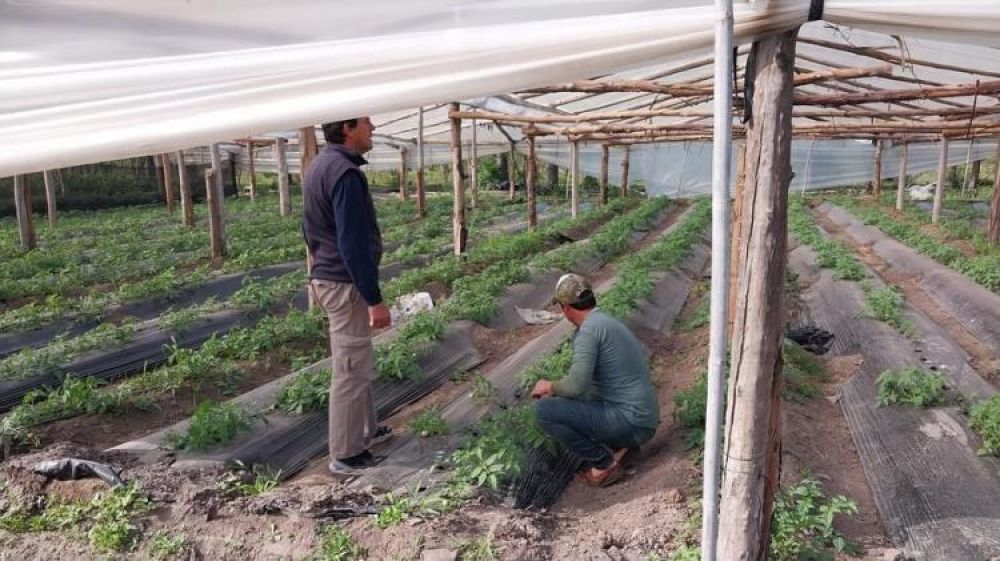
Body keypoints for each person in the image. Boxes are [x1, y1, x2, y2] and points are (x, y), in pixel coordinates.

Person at [303, 116, 393, 475]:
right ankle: (346, 454)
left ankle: (366, 431)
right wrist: (374, 298)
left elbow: (308, 227)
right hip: (344, 283)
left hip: (331, 278)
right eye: (366, 122)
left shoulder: (320, 166)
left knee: (357, 360)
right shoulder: (345, 174)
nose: (372, 127)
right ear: (347, 128)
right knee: (350, 368)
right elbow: (352, 244)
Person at [531, 273, 660, 487]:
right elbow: (587, 388)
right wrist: (558, 391)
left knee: (544, 411)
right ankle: (622, 448)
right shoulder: (607, 322)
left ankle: (604, 463)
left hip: (631, 422)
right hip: (644, 419)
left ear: (566, 308)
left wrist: (549, 385)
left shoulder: (588, 331)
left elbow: (575, 386)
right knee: (577, 401)